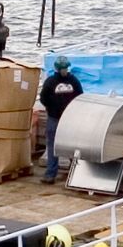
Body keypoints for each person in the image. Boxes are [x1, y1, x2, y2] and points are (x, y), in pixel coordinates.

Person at [40, 55, 84, 183]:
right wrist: (52, 109)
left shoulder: (73, 81)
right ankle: (50, 174)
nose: (65, 71)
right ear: (57, 69)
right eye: (63, 69)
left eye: (66, 68)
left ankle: (76, 170)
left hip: (70, 118)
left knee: (72, 144)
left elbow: (80, 95)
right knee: (52, 145)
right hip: (54, 117)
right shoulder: (50, 82)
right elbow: (43, 98)